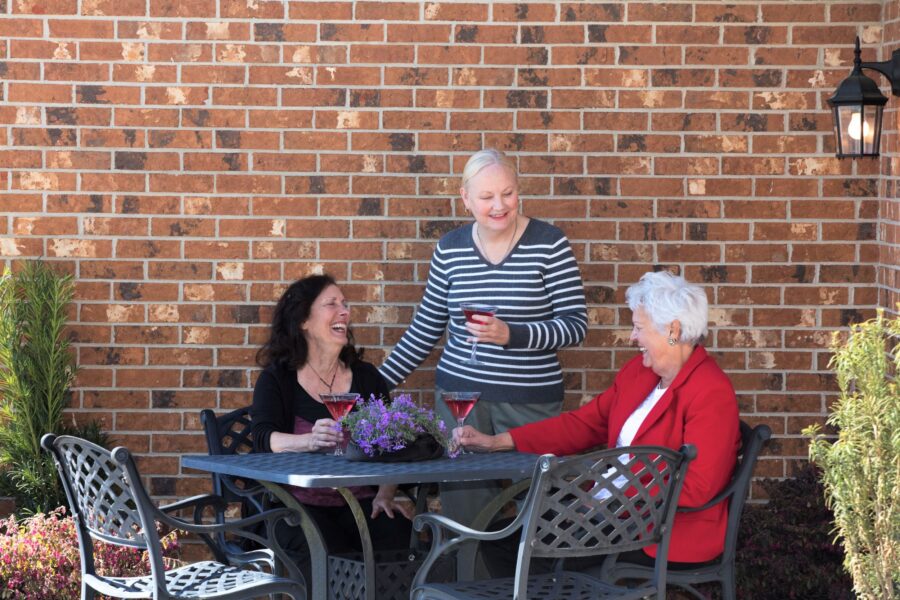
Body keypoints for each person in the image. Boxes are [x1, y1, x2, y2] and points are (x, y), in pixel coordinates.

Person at [456, 270, 741, 571]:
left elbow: (698, 487)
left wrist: (614, 498)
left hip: (661, 533)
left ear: (672, 329)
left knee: (525, 556)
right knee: (502, 540)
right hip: (610, 515)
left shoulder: (710, 391)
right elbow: (584, 424)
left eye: (638, 328)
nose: (633, 338)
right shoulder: (640, 373)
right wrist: (499, 441)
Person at [379, 148, 588, 525]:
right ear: (465, 198)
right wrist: (374, 384)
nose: (498, 206)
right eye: (487, 197)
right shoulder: (451, 249)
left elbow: (575, 325)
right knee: (466, 517)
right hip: (461, 403)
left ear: (519, 191)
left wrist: (511, 334)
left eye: (507, 193)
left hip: (531, 405)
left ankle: (531, 586)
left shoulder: (549, 244)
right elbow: (426, 328)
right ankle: (467, 583)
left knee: (539, 514)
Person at [251, 274, 414, 582]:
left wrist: (386, 493)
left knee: (401, 537)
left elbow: (393, 443)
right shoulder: (278, 379)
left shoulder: (365, 377)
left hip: (361, 503)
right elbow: (262, 438)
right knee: (330, 554)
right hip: (296, 506)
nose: (344, 311)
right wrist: (308, 440)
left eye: (345, 304)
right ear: (303, 321)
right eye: (331, 304)